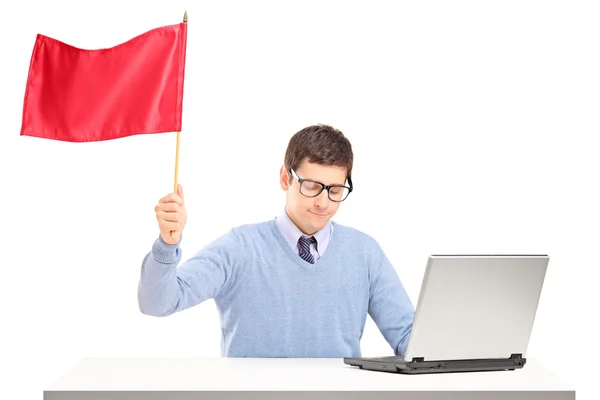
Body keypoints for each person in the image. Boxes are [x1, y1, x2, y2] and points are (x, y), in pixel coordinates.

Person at [138, 124, 415, 357]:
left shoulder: (364, 253)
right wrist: (167, 244)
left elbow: (408, 338)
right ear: (285, 177)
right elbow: (158, 303)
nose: (323, 202)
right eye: (312, 186)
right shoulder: (240, 249)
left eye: (335, 190)